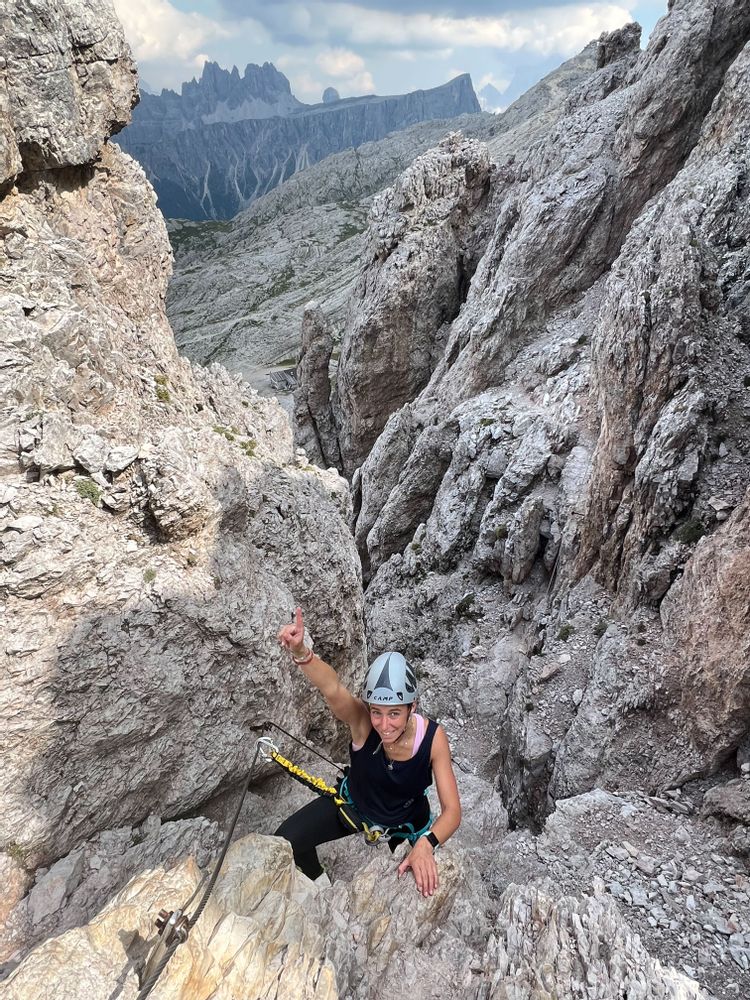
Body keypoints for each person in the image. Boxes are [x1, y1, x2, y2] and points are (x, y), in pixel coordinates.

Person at [275, 607, 461, 897]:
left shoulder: (433, 739)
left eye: (395, 714)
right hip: (356, 807)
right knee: (285, 840)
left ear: (412, 708)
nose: (384, 725)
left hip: (407, 824)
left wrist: (426, 843)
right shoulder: (363, 723)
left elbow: (452, 811)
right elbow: (333, 688)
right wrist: (302, 652)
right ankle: (319, 881)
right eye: (377, 712)